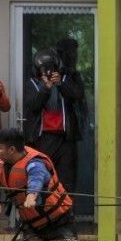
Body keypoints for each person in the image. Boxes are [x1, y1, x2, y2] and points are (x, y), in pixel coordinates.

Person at [23, 49, 84, 193]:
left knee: (66, 180)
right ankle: (43, 205)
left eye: (51, 67)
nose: (48, 72)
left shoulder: (66, 79)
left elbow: (77, 96)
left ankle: (66, 206)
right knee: (43, 176)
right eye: (44, 68)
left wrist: (61, 83)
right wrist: (46, 88)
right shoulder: (32, 83)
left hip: (65, 138)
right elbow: (33, 106)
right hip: (43, 138)